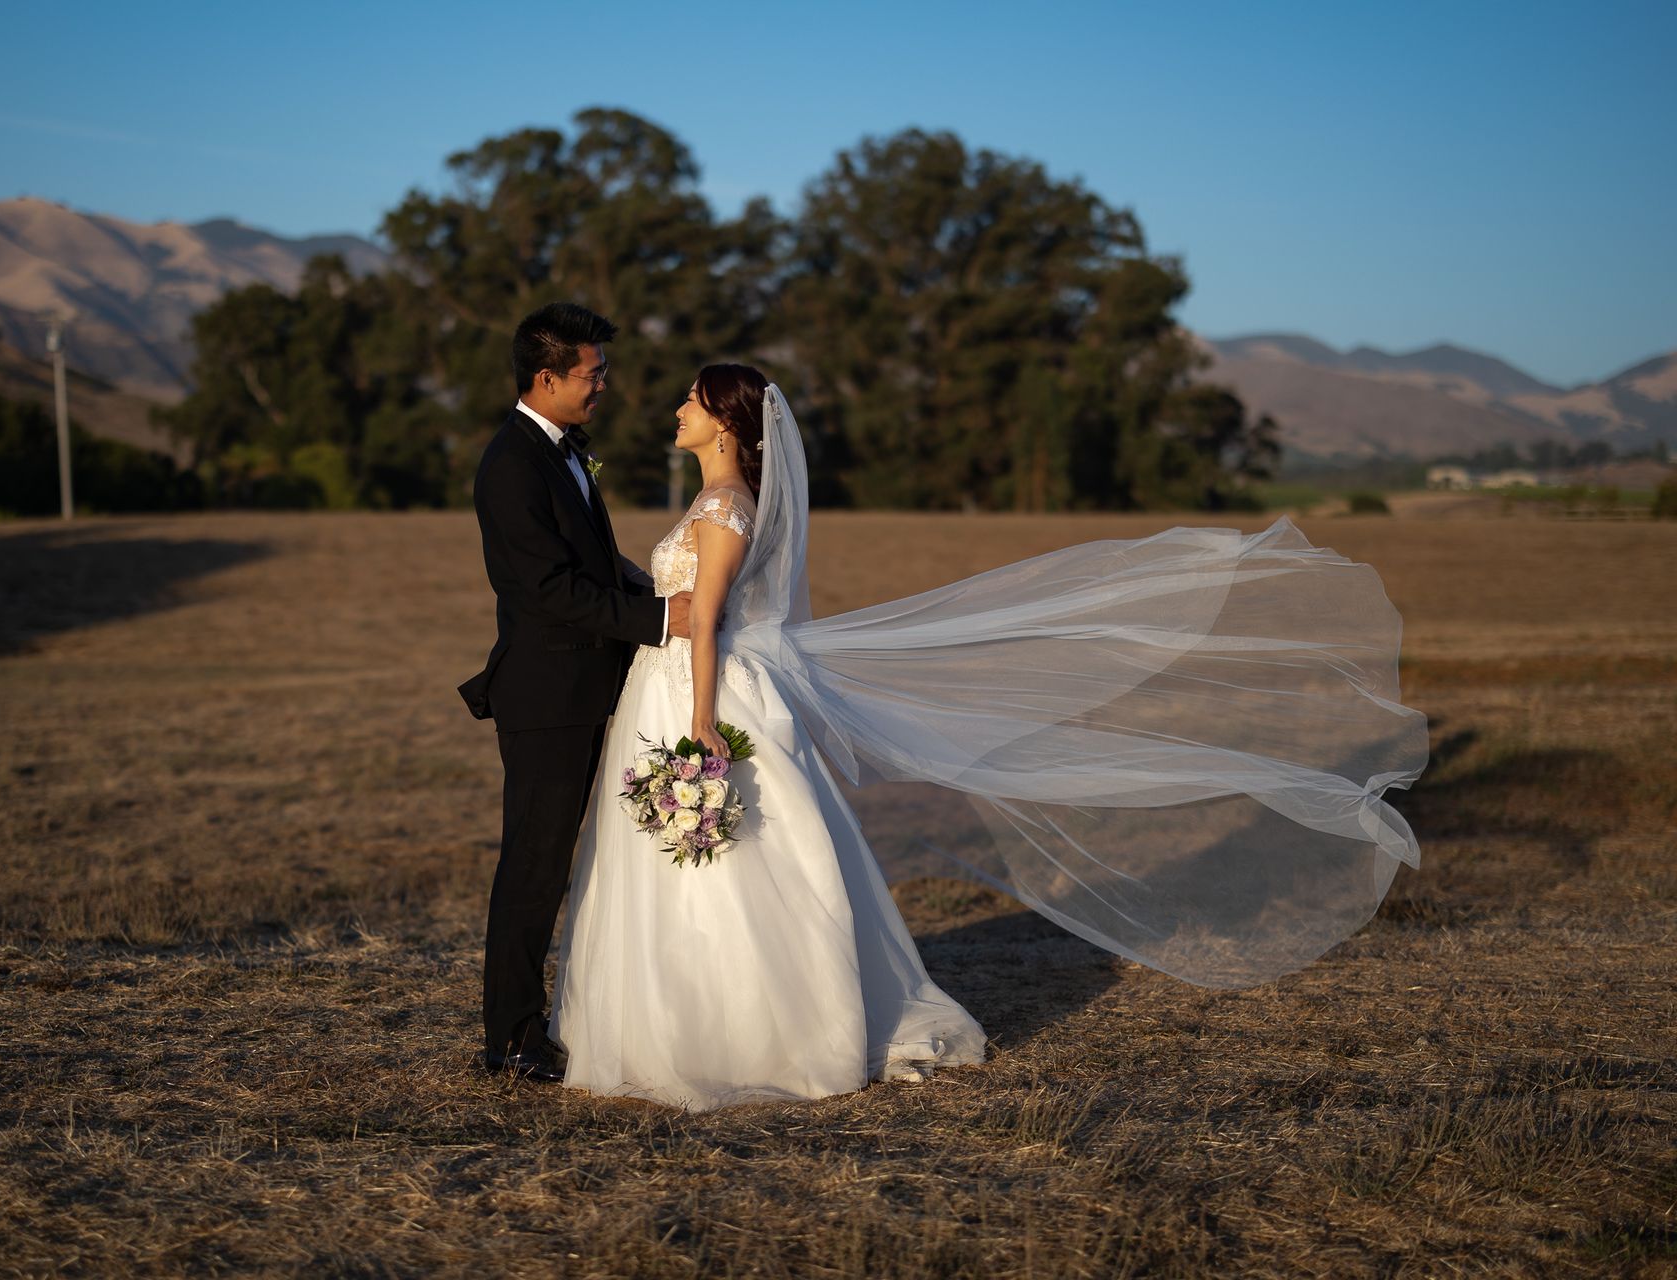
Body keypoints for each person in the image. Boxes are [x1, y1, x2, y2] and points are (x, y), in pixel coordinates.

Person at [548, 365, 1426, 1111]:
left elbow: (704, 623)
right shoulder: (717, 500)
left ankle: (736, 1030)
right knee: (706, 852)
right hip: (675, 683)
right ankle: (688, 1015)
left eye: (692, 402)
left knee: (734, 853)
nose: (677, 412)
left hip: (696, 689)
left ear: (727, 423)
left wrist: (701, 722)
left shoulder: (725, 507)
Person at [459, 303, 690, 1083]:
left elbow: (592, 567)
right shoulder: (511, 464)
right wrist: (661, 617)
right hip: (547, 695)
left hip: (591, 685)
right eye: (592, 375)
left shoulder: (560, 452)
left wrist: (661, 584)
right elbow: (551, 590)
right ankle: (512, 1036)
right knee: (536, 864)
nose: (604, 386)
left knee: (578, 858)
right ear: (546, 377)